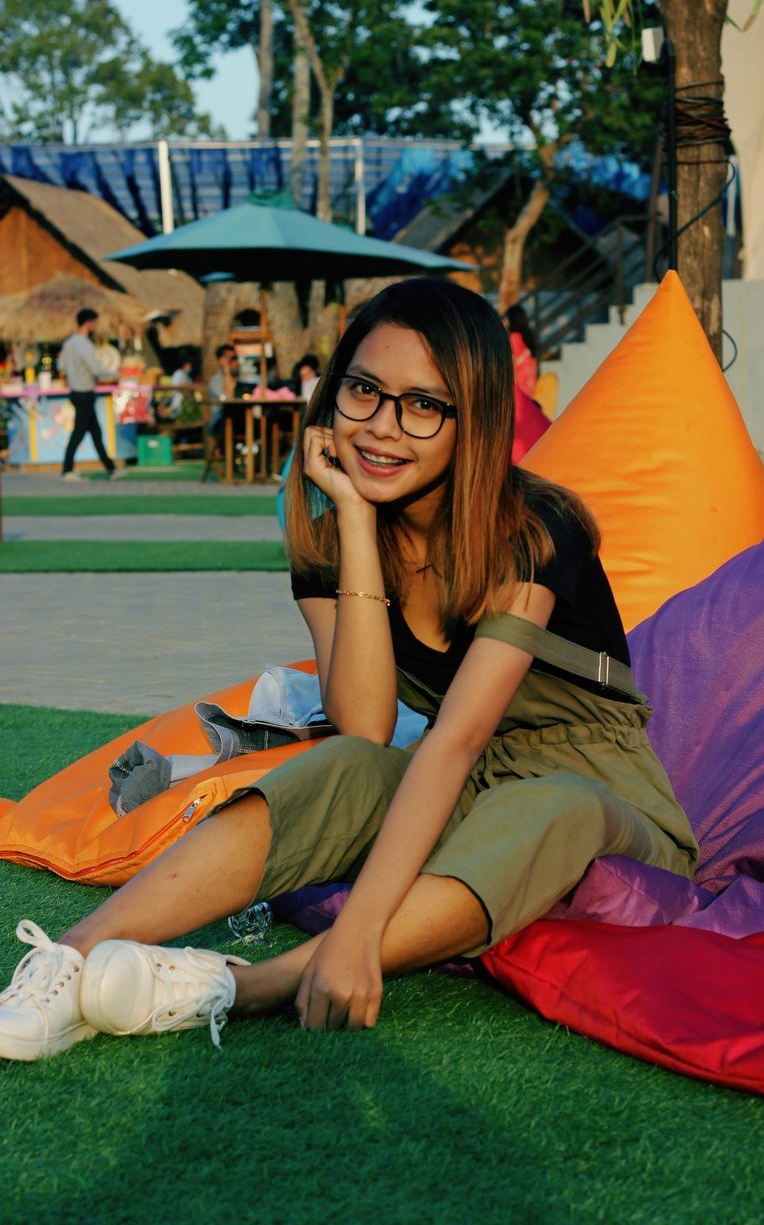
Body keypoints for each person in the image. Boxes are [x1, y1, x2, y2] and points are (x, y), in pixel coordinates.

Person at [0, 278, 698, 1060]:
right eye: (363, 391)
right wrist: (358, 525)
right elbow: (366, 723)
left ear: (475, 421)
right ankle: (69, 958)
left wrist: (357, 928)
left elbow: (456, 738)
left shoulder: (534, 527)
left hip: (599, 790)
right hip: (470, 786)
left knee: (553, 804)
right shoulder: (326, 530)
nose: (382, 429)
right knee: (349, 762)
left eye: (422, 406)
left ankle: (228, 985)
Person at [58, 308, 119, 481]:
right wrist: (113, 373)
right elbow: (94, 368)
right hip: (84, 392)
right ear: (89, 323)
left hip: (76, 391)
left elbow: (61, 366)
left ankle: (111, 468)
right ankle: (67, 470)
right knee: (78, 432)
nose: (96, 326)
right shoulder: (84, 344)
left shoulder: (68, 343)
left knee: (95, 432)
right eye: (95, 322)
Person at [504, 303, 539, 399]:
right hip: (530, 392)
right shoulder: (528, 338)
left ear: (512, 320)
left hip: (517, 393)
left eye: (506, 318)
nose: (505, 321)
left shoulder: (515, 338)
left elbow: (507, 363)